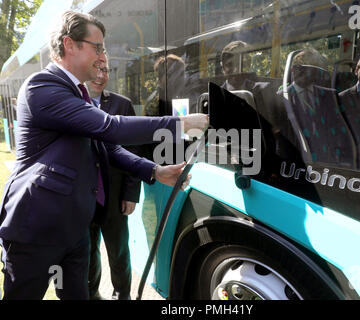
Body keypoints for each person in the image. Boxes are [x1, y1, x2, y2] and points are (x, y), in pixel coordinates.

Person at [0, 10, 208, 300]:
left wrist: (155, 171)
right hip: (38, 226)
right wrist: (181, 122)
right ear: (69, 45)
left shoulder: (74, 94)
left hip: (75, 226)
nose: (102, 56)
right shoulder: (42, 87)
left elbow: (106, 148)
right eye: (97, 47)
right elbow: (109, 128)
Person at [86, 56, 138, 300]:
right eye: (96, 69)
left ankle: (122, 295)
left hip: (115, 197)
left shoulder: (122, 105)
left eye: (105, 70)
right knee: (87, 252)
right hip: (82, 197)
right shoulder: (70, 103)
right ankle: (91, 293)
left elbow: (133, 151)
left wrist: (130, 194)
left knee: (119, 253)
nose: (100, 75)